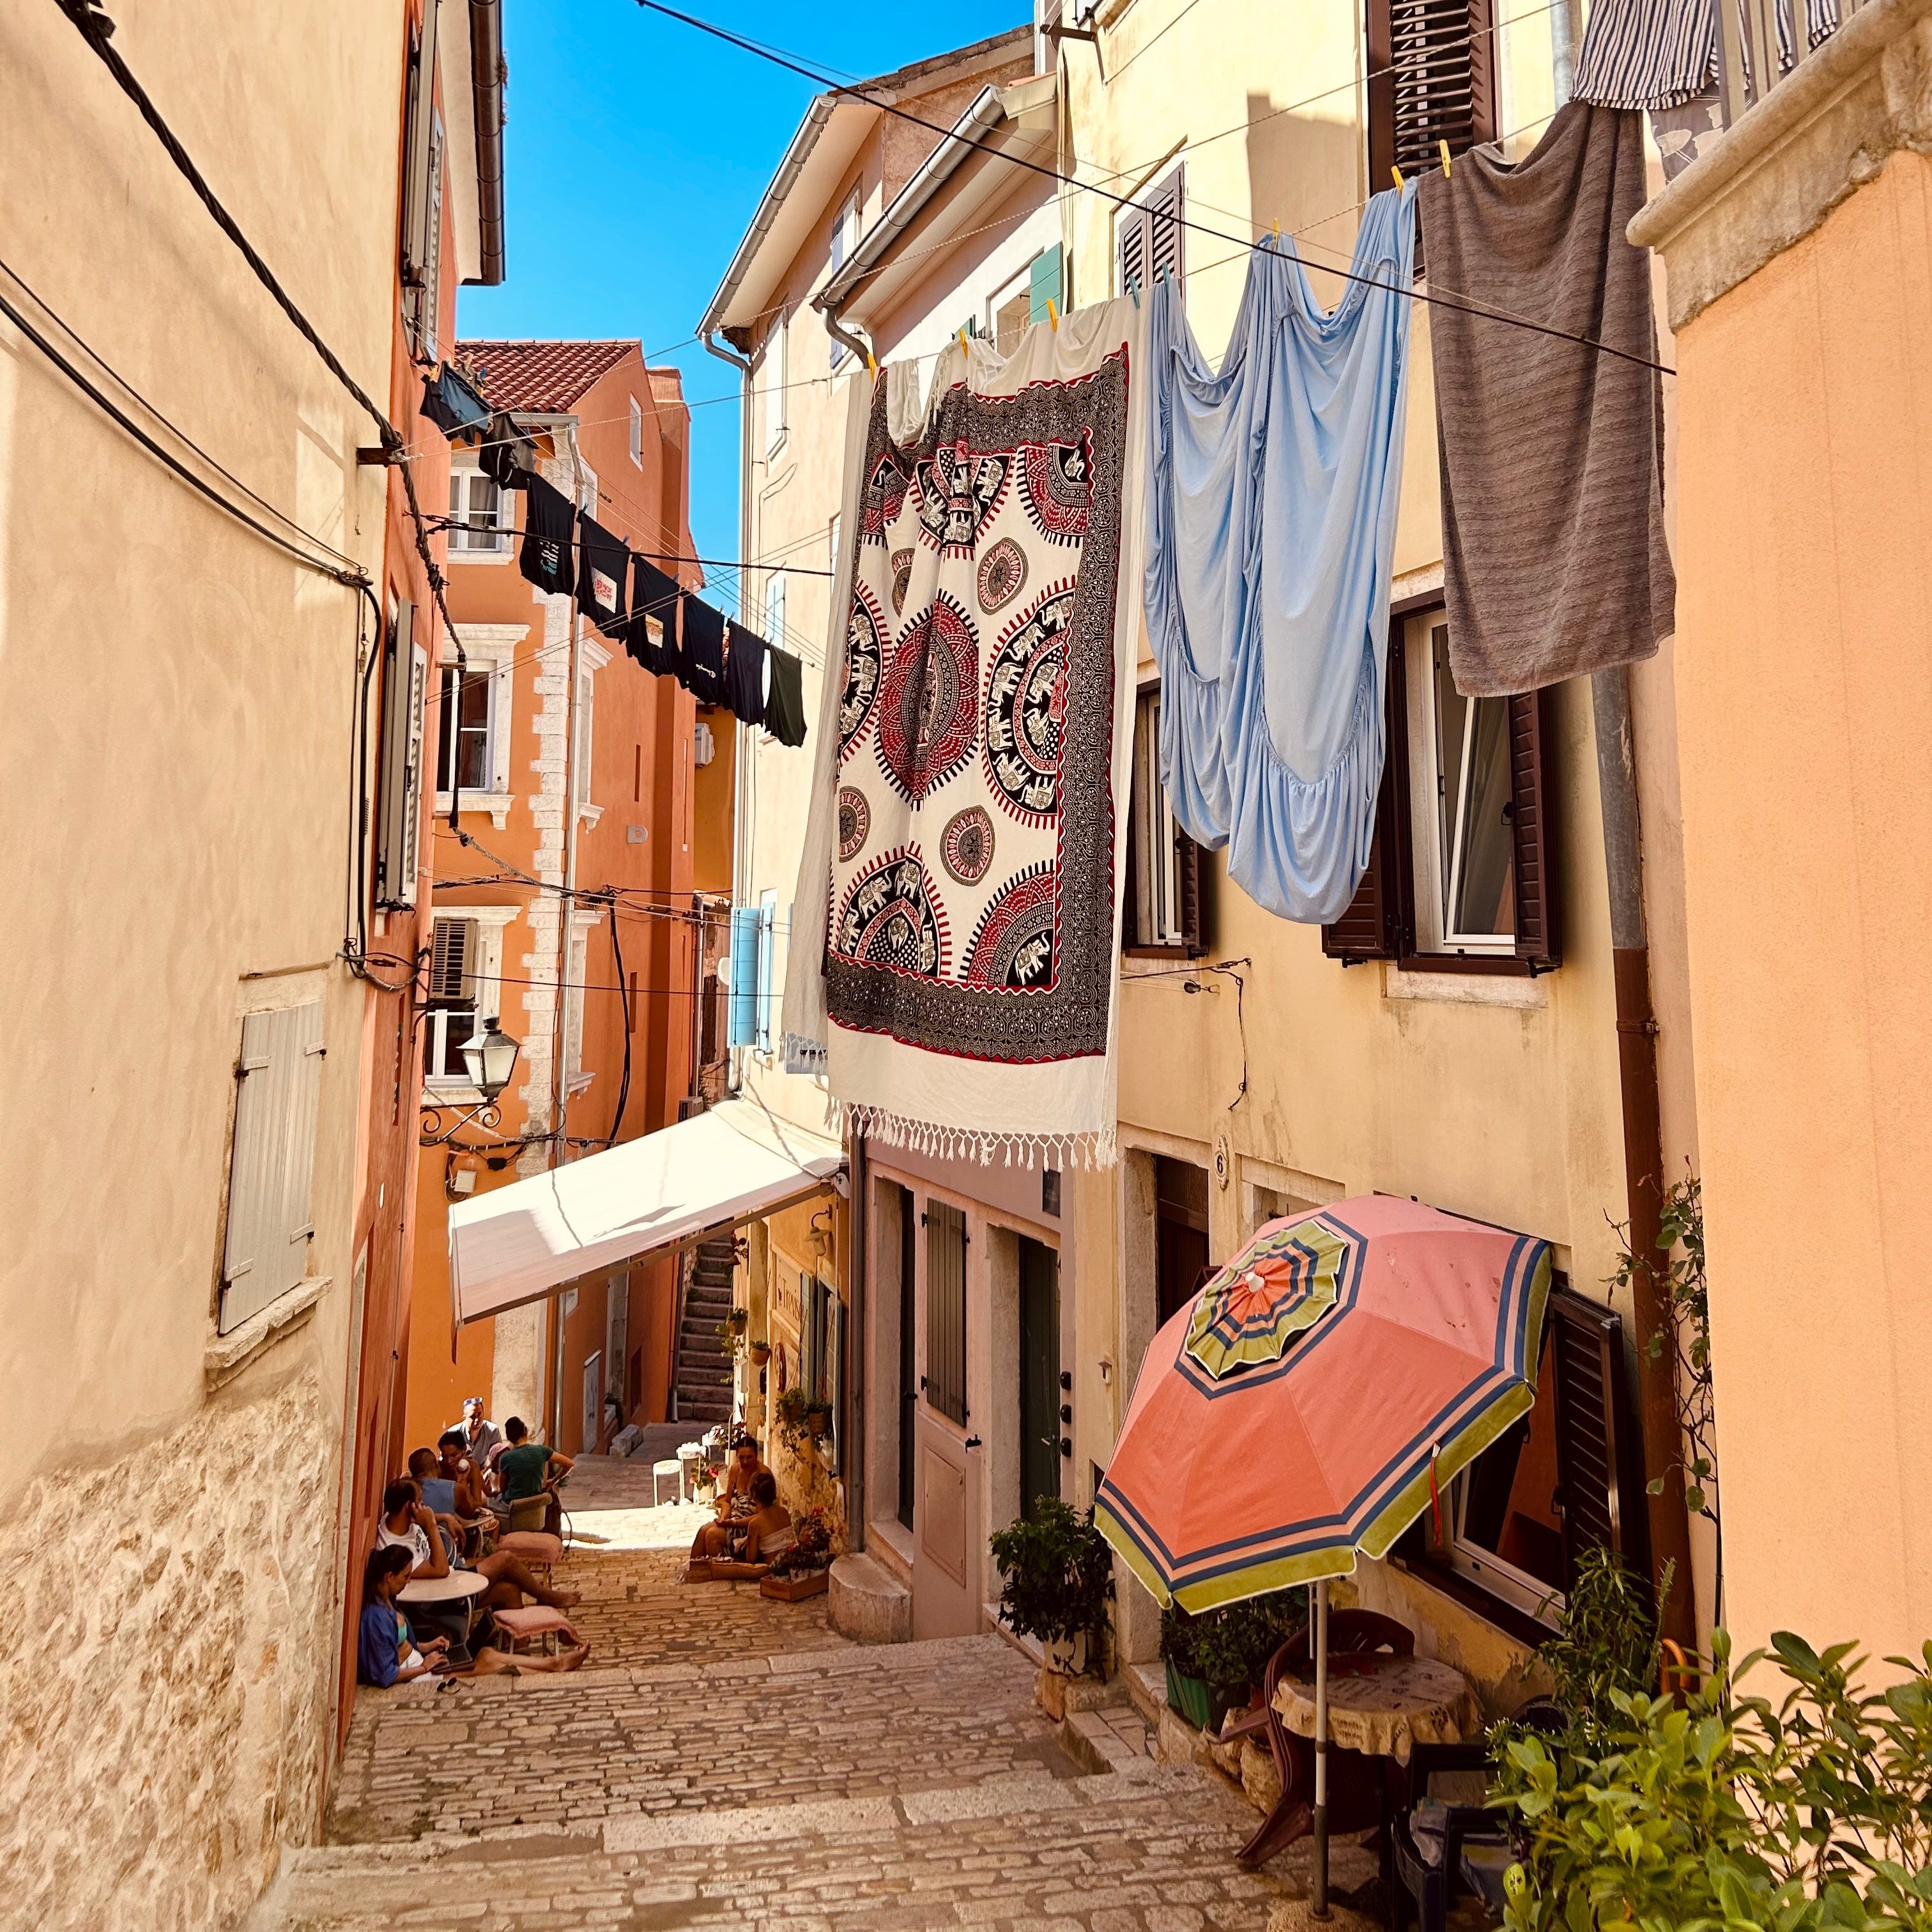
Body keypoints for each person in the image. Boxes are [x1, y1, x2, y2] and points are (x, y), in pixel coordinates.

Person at [376, 1478, 579, 1614]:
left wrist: (445, 1517)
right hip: (438, 1600)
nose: (425, 1507)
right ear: (409, 1507)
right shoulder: (397, 1550)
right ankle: (545, 1596)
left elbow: (417, 1520)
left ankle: (519, 1647)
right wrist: (430, 1524)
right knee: (505, 1559)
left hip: (451, 1577)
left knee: (509, 1589)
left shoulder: (394, 1518)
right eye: (420, 1502)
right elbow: (440, 1570)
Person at [358, 1545, 448, 1686]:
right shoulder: (376, 1619)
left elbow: (400, 1643)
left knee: (482, 1660)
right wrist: (424, 1668)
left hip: (415, 1664)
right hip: (413, 1673)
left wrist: (428, 1646)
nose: (409, 1581)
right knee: (483, 1664)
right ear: (390, 1577)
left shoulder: (388, 1600)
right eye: (406, 1576)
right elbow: (385, 1675)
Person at [688, 1471, 792, 1573]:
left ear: (753, 1495)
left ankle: (701, 1570)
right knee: (705, 1530)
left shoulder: (756, 1523)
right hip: (788, 1563)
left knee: (715, 1540)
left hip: (769, 1569)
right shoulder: (784, 1512)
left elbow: (751, 1559)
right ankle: (695, 1566)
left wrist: (748, 1541)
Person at [496, 1416, 571, 1532]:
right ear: (525, 1431)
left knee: (484, 1501)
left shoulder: (506, 1458)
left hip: (512, 1505)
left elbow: (502, 1489)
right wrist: (554, 1480)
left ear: (509, 1437)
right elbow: (569, 1463)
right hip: (536, 1503)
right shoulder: (542, 1451)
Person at [711, 1434, 769, 1522]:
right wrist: (722, 1520)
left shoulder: (763, 1474)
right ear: (737, 1456)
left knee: (712, 1534)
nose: (745, 1462)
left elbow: (763, 1515)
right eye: (741, 1457)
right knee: (704, 1530)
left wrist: (734, 1524)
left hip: (752, 1524)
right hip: (733, 1518)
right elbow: (727, 1502)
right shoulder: (735, 1470)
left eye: (749, 1457)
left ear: (756, 1455)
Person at [454, 1395, 500, 1470]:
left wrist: (484, 1473)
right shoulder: (453, 1434)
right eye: (473, 1416)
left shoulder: (492, 1431)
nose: (477, 1420)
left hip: (482, 1471)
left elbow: (497, 1459)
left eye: (479, 1414)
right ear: (465, 1418)